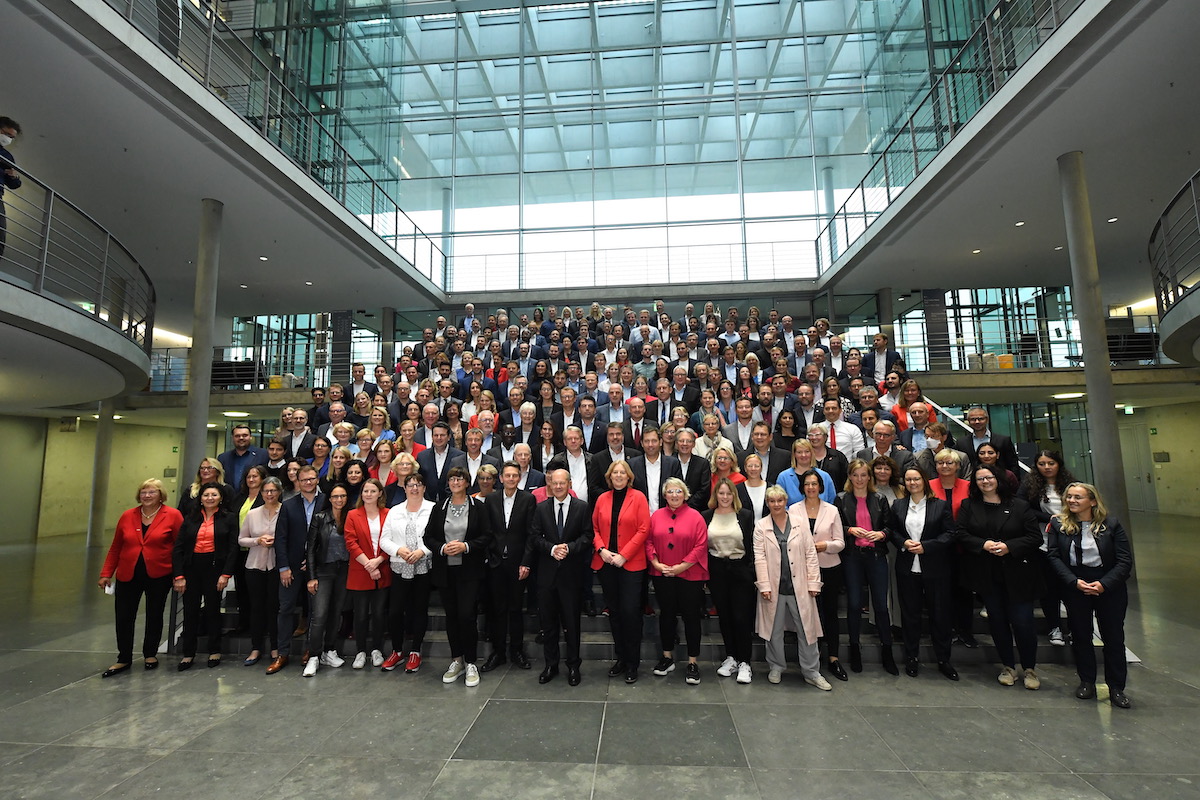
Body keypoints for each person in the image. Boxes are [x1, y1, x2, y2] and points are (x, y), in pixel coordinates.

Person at [1046, 483, 1134, 709]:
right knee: (1081, 636)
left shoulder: (1111, 524)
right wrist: (1073, 582)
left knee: (1113, 638)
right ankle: (1087, 681)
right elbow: (1054, 557)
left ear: (1092, 501)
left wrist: (1104, 584)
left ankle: (1116, 687)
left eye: (1078, 497)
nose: (1072, 500)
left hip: (1108, 586)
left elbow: (1124, 560)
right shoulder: (1058, 524)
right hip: (1075, 585)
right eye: (1069, 497)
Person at [956, 465, 1044, 689]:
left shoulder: (1020, 505)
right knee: (997, 622)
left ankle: (1030, 668)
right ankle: (1008, 666)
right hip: (987, 574)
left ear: (998, 479)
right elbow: (961, 533)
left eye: (989, 477)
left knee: (1023, 622)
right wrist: (982, 544)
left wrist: (1010, 547)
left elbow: (1035, 538)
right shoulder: (969, 505)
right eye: (980, 479)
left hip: (1018, 573)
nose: (985, 482)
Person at [97, 479, 184, 677]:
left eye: (152, 492)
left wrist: (179, 574)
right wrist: (105, 573)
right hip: (128, 574)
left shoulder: (173, 515)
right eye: (143, 492)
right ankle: (124, 657)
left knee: (155, 614)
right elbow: (116, 547)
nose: (147, 495)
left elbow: (180, 548)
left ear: (161, 495)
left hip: (159, 573)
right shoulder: (128, 516)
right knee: (124, 616)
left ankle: (150, 654)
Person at [753, 485, 830, 690]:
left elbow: (810, 554)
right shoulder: (761, 526)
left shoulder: (799, 524)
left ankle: (811, 671)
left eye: (780, 500)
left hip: (800, 587)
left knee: (807, 629)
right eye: (772, 501)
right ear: (767, 503)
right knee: (774, 630)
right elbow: (759, 558)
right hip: (774, 588)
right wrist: (764, 585)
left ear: (785, 501)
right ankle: (776, 666)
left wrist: (814, 582)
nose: (776, 504)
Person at [887, 467, 959, 681]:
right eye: (908, 479)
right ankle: (912, 658)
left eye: (916, 479)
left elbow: (950, 533)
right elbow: (892, 531)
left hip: (935, 568)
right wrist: (903, 542)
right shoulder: (898, 505)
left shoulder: (940, 505)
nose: (912, 483)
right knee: (910, 616)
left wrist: (927, 546)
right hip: (907, 568)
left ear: (924, 481)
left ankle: (943, 660)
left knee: (940, 616)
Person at [522, 469, 593, 686]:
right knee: (549, 623)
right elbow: (534, 536)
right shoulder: (541, 508)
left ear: (569, 483)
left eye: (563, 483)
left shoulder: (581, 507)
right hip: (547, 575)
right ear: (550, 484)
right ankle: (551, 664)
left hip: (571, 575)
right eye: (555, 483)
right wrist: (552, 549)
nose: (559, 486)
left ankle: (573, 665)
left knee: (572, 623)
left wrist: (569, 548)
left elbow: (588, 536)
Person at [424, 467, 490, 687]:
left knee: (467, 615)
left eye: (459, 478)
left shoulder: (478, 507)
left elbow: (487, 536)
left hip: (470, 571)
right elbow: (428, 537)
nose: (455, 482)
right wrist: (442, 548)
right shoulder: (439, 507)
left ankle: (471, 662)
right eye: (452, 478)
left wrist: (466, 546)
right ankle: (456, 660)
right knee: (451, 616)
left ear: (467, 482)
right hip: (446, 571)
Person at [835, 460, 898, 675]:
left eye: (863, 475)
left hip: (876, 555)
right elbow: (835, 526)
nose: (860, 479)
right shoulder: (841, 499)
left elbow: (891, 528)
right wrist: (850, 530)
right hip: (853, 556)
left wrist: (881, 534)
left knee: (881, 605)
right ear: (850, 477)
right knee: (854, 604)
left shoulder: (879, 498)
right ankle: (854, 649)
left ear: (869, 477)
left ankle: (887, 651)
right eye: (856, 475)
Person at [591, 460, 651, 682]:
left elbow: (644, 528)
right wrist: (601, 550)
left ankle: (633, 663)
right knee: (614, 613)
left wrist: (624, 555)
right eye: (614, 472)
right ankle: (621, 659)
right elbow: (594, 528)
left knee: (630, 613)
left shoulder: (638, 497)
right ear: (609, 476)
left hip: (631, 564)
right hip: (606, 563)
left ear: (628, 477)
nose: (618, 476)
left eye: (622, 473)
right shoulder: (602, 499)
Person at [646, 477, 709, 685]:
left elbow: (701, 545)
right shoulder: (656, 516)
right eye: (670, 491)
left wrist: (682, 566)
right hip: (663, 574)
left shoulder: (696, 517)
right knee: (666, 616)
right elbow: (648, 542)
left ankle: (692, 662)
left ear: (685, 495)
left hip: (690, 575)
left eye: (678, 491)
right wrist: (655, 563)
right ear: (664, 495)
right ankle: (667, 657)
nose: (674, 495)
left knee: (691, 617)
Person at [172, 482, 239, 670]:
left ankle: (214, 650)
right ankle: (188, 654)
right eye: (206, 495)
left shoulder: (229, 518)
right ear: (200, 498)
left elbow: (233, 548)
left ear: (221, 498)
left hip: (215, 568)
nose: (210, 498)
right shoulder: (190, 518)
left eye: (214, 495)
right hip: (191, 568)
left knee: (212, 610)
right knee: (190, 610)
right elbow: (178, 547)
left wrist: (225, 574)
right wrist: (179, 575)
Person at [481, 462, 537, 672]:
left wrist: (526, 562)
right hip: (495, 563)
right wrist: (488, 557)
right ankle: (498, 653)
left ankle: (517, 651)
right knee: (497, 609)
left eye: (515, 475)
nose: (511, 479)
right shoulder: (492, 499)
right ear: (501, 478)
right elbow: (486, 532)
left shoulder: (528, 499)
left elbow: (532, 534)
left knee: (515, 609)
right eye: (508, 475)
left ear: (519, 478)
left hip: (518, 564)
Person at [792, 469, 848, 681]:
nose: (811, 487)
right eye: (807, 484)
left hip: (829, 567)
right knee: (807, 615)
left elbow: (840, 543)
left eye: (814, 484)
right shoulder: (794, 510)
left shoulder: (832, 510)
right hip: (804, 570)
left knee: (830, 613)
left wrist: (825, 545)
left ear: (821, 486)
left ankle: (833, 657)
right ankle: (810, 660)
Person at [1019, 450, 1077, 647]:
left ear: (1058, 464)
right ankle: (1055, 627)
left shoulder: (1071, 485)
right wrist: (1050, 518)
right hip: (1044, 542)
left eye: (1050, 463)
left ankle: (1076, 628)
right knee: (1049, 589)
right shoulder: (1031, 486)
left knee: (1070, 589)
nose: (1046, 467)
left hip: (1071, 542)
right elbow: (1023, 508)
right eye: (1042, 464)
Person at [378, 473, 435, 674]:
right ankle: (397, 650)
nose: (414, 488)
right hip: (399, 566)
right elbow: (384, 540)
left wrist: (423, 551)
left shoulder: (433, 509)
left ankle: (415, 651)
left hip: (422, 566)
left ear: (424, 488)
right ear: (405, 488)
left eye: (419, 485)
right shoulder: (395, 511)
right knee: (395, 611)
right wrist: (398, 550)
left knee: (419, 610)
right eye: (411, 485)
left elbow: (437, 537)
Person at [704, 478, 757, 683]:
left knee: (741, 617)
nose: (724, 497)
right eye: (721, 493)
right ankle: (731, 658)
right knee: (724, 616)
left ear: (733, 495)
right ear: (715, 495)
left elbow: (751, 545)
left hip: (740, 570)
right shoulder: (707, 515)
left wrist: (751, 572)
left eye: (728, 493)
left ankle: (745, 662)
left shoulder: (744, 516)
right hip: (717, 570)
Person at [301, 482, 352, 676]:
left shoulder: (351, 517)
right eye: (335, 496)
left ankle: (329, 650)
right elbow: (311, 551)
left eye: (343, 496)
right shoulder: (320, 518)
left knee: (336, 613)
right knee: (319, 614)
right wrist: (311, 577)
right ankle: (314, 655)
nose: (339, 500)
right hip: (324, 571)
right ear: (329, 499)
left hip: (344, 571)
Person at [345, 478, 391, 670]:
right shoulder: (353, 515)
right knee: (361, 615)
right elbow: (350, 542)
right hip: (360, 571)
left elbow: (392, 540)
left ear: (380, 493)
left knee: (379, 613)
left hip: (383, 569)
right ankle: (361, 651)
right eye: (366, 491)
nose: (369, 494)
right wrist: (369, 566)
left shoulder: (388, 514)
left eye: (373, 491)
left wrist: (378, 562)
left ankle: (377, 650)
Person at [239, 476, 284, 669]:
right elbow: (241, 539)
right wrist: (257, 541)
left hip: (277, 565)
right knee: (256, 607)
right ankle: (256, 647)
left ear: (279, 492)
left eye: (273, 490)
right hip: (254, 565)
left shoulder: (286, 511)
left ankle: (275, 647)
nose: (269, 494)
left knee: (274, 607)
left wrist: (275, 541)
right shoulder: (252, 513)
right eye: (266, 491)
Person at [777, 439, 833, 504]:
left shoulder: (825, 476)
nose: (803, 455)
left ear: (811, 453)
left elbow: (832, 501)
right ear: (794, 454)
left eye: (807, 451)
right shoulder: (783, 477)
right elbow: (779, 503)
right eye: (799, 452)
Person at [0, 116, 21, 258]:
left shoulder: (6, 155)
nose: (8, 139)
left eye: (11, 137)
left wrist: (13, 176)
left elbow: (14, 185)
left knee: (0, 238)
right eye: (7, 135)